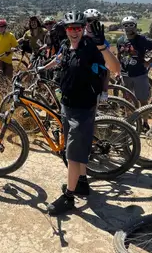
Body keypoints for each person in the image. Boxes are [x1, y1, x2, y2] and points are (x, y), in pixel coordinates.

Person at [37, 11, 121, 215]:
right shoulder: (67, 46)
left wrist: (103, 46)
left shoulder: (91, 47)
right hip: (67, 104)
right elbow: (58, 59)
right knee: (76, 149)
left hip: (83, 108)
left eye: (78, 28)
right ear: (65, 30)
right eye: (70, 28)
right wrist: (42, 68)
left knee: (72, 155)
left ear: (83, 29)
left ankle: (69, 197)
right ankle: (82, 181)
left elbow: (115, 68)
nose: (74, 32)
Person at [116, 16, 152, 106]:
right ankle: (129, 119)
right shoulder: (120, 40)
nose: (128, 27)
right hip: (125, 74)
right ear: (123, 27)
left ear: (135, 26)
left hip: (140, 74)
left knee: (143, 100)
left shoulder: (142, 39)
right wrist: (118, 70)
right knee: (127, 99)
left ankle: (144, 120)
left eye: (131, 25)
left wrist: (149, 62)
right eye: (126, 25)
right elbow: (119, 55)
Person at [84, 9, 110, 104]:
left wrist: (105, 91)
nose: (91, 23)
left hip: (96, 81)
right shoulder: (78, 38)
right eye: (88, 20)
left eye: (95, 21)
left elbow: (108, 67)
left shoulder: (103, 41)